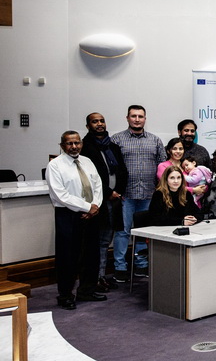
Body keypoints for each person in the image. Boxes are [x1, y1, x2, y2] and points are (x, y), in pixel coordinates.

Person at [46, 131, 106, 309]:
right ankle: (65, 295)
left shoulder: (87, 161)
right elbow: (60, 194)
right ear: (62, 145)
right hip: (68, 214)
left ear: (81, 144)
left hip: (92, 214)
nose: (74, 147)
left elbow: (97, 185)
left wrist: (94, 206)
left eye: (77, 143)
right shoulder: (55, 165)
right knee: (68, 257)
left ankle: (87, 290)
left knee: (91, 255)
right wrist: (87, 207)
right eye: (69, 143)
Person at [111, 105, 165, 282]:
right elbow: (111, 168)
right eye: (133, 116)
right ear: (127, 118)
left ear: (145, 119)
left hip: (149, 194)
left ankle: (141, 265)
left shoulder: (155, 140)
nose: (137, 119)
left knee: (143, 231)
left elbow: (163, 167)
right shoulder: (116, 139)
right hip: (125, 195)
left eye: (140, 116)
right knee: (123, 232)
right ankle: (120, 267)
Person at [80, 113, 128, 293]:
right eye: (95, 122)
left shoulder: (112, 146)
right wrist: (108, 193)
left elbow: (123, 171)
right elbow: (91, 177)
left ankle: (101, 276)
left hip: (114, 200)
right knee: (97, 242)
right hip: (97, 201)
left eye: (102, 121)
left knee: (107, 239)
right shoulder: (85, 147)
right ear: (88, 126)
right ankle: (95, 278)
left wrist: (118, 192)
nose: (99, 124)